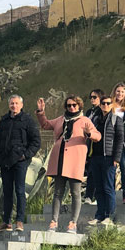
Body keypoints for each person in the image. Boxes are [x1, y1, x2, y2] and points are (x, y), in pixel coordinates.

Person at [36, 95, 99, 233]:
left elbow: (97, 136)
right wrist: (41, 112)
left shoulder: (85, 120)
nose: (71, 107)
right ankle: (54, 222)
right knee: (57, 192)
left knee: (75, 193)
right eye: (69, 105)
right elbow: (45, 124)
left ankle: (73, 223)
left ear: (79, 106)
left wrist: (89, 134)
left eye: (74, 105)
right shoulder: (60, 119)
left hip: (75, 162)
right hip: (59, 160)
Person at [0, 94, 41, 231]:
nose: (14, 106)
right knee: (6, 192)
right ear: (9, 105)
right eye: (12, 103)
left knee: (19, 190)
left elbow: (36, 141)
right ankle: (6, 222)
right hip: (5, 161)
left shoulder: (27, 120)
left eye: (16, 103)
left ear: (21, 105)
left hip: (20, 161)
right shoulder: (4, 120)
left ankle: (19, 221)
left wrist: (26, 155)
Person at [88, 95, 125, 225]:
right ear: (100, 104)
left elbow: (120, 140)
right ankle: (99, 215)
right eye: (103, 103)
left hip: (109, 158)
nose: (105, 105)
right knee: (98, 188)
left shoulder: (116, 120)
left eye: (108, 103)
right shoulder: (95, 120)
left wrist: (116, 158)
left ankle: (109, 216)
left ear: (112, 105)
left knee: (108, 187)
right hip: (95, 157)